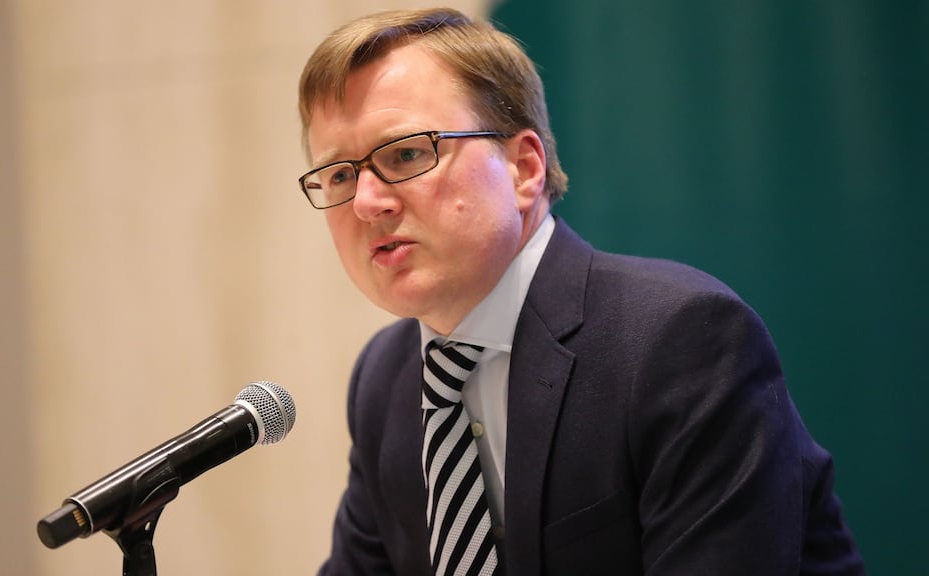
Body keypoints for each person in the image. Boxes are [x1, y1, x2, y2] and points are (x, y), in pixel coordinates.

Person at [296, 7, 864, 576]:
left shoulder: (678, 340)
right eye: (340, 175)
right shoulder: (384, 379)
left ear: (523, 168)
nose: (367, 203)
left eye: (406, 154)